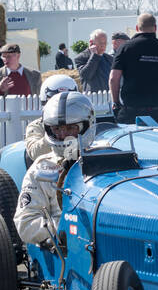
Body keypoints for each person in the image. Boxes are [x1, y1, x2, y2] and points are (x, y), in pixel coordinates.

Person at [14, 92, 97, 251]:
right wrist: (65, 224)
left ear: (87, 125)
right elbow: (25, 223)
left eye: (71, 128)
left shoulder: (105, 158)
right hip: (65, 248)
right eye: (57, 129)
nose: (63, 135)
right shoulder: (41, 169)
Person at [110, 13, 158, 124]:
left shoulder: (125, 48)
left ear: (137, 28)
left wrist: (116, 103)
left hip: (130, 112)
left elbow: (113, 78)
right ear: (155, 28)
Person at [25, 74, 81, 161]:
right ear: (46, 100)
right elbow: (35, 153)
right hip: (49, 168)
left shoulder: (82, 122)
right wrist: (52, 134)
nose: (62, 105)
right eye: (56, 101)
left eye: (68, 100)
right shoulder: (37, 126)